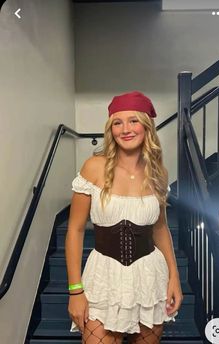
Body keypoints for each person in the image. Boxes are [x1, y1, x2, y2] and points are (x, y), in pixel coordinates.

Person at [65, 91, 183, 344]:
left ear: (146, 126)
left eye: (133, 121)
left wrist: (174, 276)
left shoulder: (158, 172)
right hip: (104, 276)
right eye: (117, 123)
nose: (125, 129)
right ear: (111, 130)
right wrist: (75, 290)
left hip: (149, 276)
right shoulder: (93, 167)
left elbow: (160, 229)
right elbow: (74, 230)